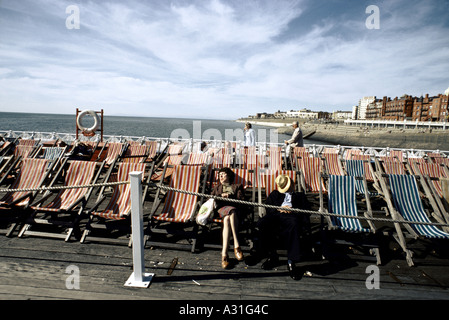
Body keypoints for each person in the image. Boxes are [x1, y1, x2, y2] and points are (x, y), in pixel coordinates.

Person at [254, 174, 311, 280]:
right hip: (276, 215)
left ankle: (291, 261)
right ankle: (272, 255)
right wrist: (279, 208)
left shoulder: (299, 196)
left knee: (294, 225)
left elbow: (307, 209)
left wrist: (293, 210)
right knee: (263, 223)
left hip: (292, 216)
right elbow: (268, 207)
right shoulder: (275, 194)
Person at [211, 167, 246, 269]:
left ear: (229, 176)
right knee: (231, 212)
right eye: (219, 174)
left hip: (233, 210)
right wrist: (220, 196)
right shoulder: (217, 188)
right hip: (222, 209)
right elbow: (210, 199)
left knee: (228, 218)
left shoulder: (237, 186)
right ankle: (236, 244)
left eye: (223, 174)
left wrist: (230, 197)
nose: (220, 176)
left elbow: (242, 200)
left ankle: (224, 255)